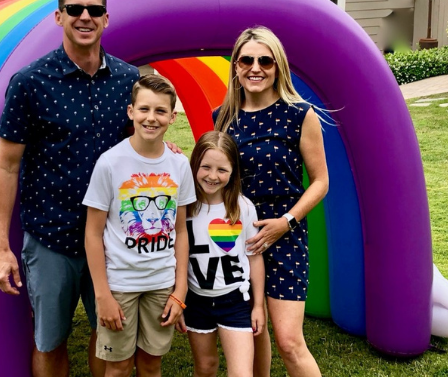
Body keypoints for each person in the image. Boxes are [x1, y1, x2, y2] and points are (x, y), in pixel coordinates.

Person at [0, 0, 139, 377]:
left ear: (107, 18)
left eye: (94, 10)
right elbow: (5, 165)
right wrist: (1, 247)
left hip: (111, 237)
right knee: (49, 339)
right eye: (75, 9)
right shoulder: (30, 83)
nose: (85, 16)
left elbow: (141, 146)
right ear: (59, 17)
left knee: (107, 333)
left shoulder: (130, 81)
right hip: (51, 236)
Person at [214, 27, 329, 377]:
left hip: (286, 235)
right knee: (253, 330)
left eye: (266, 60)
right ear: (235, 66)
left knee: (290, 343)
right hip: (238, 238)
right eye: (247, 59)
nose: (256, 67)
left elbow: (321, 181)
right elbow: (213, 173)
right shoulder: (223, 118)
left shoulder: (300, 114)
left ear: (278, 67)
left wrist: (287, 222)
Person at [83, 74, 196, 377]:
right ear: (131, 111)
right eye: (144, 109)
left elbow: (182, 230)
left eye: (160, 111)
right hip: (119, 286)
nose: (151, 118)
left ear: (173, 117)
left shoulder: (179, 165)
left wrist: (180, 288)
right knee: (117, 366)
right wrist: (102, 294)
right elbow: (92, 234)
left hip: (161, 284)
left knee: (151, 363)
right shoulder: (110, 163)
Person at [176, 130, 265, 377]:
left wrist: (258, 305)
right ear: (194, 165)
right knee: (205, 367)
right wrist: (177, 299)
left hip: (235, 301)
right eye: (205, 167)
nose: (213, 176)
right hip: (195, 301)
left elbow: (254, 257)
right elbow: (176, 257)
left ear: (233, 171)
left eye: (222, 170)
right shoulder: (183, 206)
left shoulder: (243, 207)